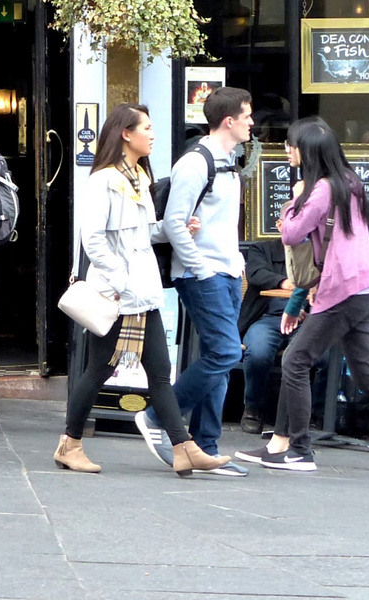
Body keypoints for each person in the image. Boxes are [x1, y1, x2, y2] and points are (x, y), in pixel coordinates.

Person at [237, 116, 369, 475]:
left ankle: (300, 450)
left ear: (306, 151)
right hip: (361, 289)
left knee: (295, 361)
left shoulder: (321, 190)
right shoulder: (350, 183)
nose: (287, 150)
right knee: (367, 373)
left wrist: (293, 201)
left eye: (291, 145)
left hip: (344, 291)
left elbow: (291, 234)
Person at [57, 104, 228, 476]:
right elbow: (94, 239)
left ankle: (183, 447)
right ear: (126, 133)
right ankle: (70, 444)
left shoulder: (137, 176)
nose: (152, 134)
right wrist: (119, 280)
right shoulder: (103, 180)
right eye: (146, 128)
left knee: (159, 371)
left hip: (141, 292)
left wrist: (172, 228)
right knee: (100, 368)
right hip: (118, 294)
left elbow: (141, 232)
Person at [136, 85, 251, 477]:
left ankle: (206, 447)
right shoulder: (195, 163)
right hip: (204, 274)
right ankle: (157, 417)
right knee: (225, 354)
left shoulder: (228, 160)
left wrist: (235, 264)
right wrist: (200, 267)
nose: (253, 122)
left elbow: (218, 224)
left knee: (216, 360)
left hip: (227, 271)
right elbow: (173, 222)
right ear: (229, 120)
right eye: (248, 116)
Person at [237, 239, 295, 434]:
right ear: (279, 224)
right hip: (268, 318)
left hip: (306, 320)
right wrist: (284, 282)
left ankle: (313, 415)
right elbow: (256, 274)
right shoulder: (262, 248)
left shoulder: (319, 251)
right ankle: (252, 408)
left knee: (321, 357)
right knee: (258, 353)